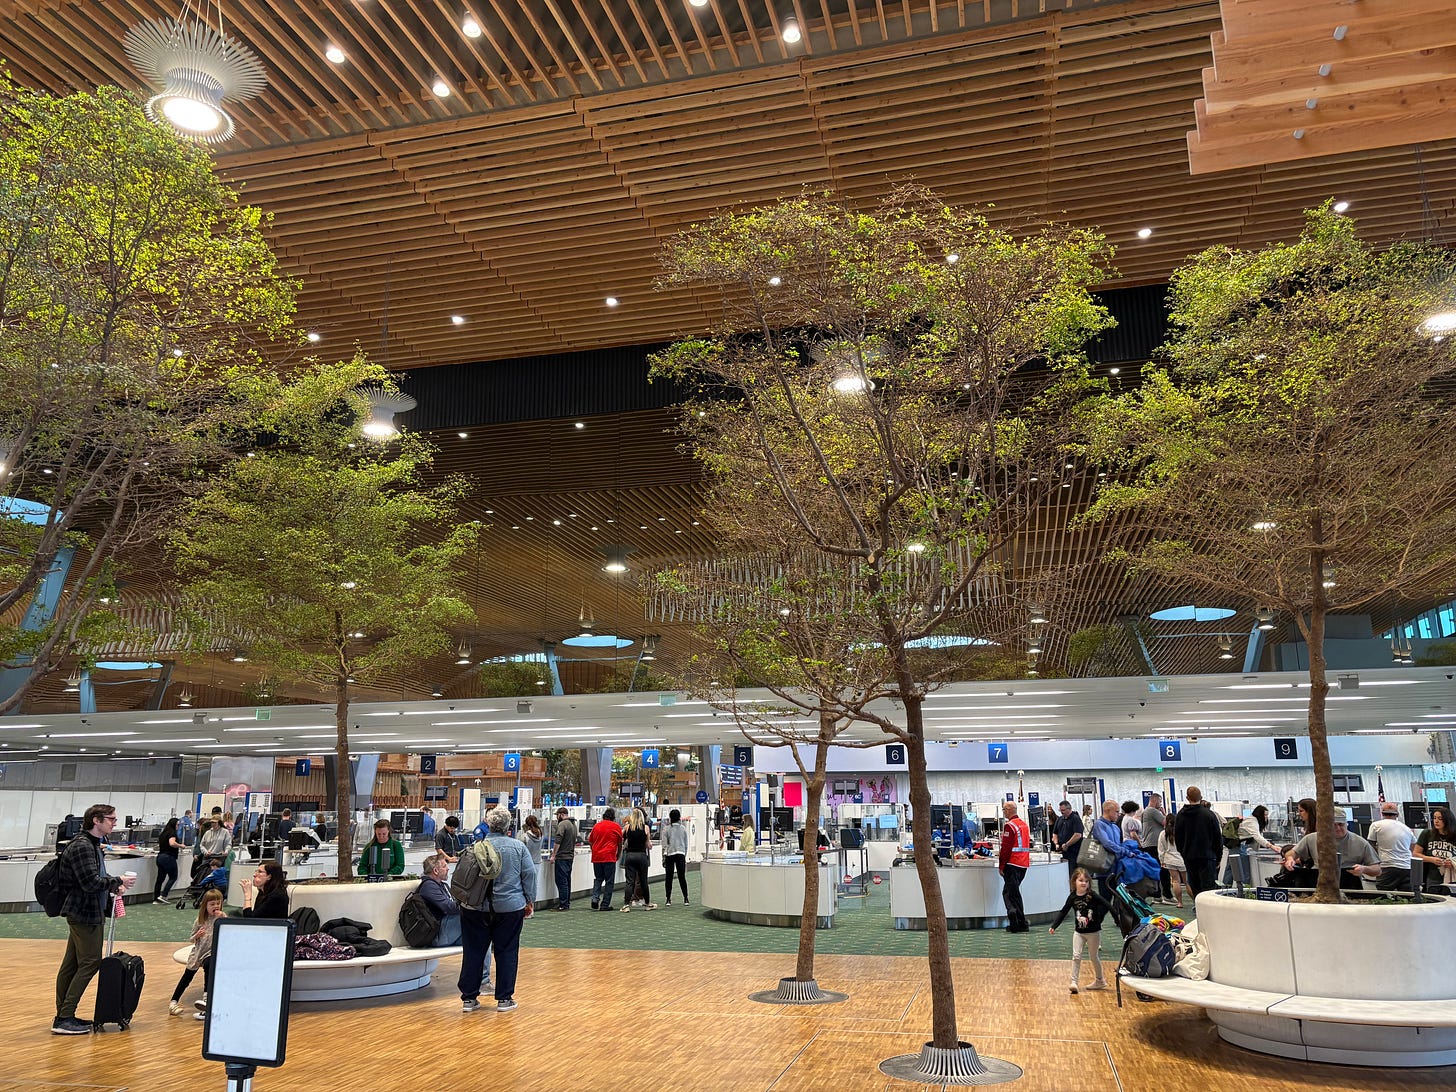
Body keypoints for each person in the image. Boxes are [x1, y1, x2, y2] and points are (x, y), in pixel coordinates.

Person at [52, 803, 137, 1035]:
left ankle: (64, 1015)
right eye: (111, 819)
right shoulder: (83, 846)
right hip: (84, 912)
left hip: (86, 911)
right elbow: (90, 882)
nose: (115, 823)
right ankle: (64, 1016)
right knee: (90, 962)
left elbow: (97, 876)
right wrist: (116, 881)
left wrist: (113, 883)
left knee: (72, 964)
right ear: (96, 821)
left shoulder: (91, 845)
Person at [458, 806, 535, 1014]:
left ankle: (469, 999)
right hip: (510, 907)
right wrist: (529, 900)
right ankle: (504, 999)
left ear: (488, 824)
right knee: (507, 951)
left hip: (475, 908)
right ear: (508, 826)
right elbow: (529, 875)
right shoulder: (518, 848)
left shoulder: (476, 847)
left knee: (474, 951)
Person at [1283, 806, 1380, 891]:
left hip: (1349, 884)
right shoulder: (1311, 838)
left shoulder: (1360, 843)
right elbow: (1292, 852)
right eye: (1333, 825)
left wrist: (1364, 869)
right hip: (1317, 883)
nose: (1337, 828)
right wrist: (1290, 859)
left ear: (1347, 824)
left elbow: (1377, 869)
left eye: (1341, 824)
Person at [1049, 867, 1113, 994]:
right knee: (1076, 956)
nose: (1084, 883)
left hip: (1093, 932)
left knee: (1094, 957)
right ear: (1074, 882)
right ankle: (1074, 982)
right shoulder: (1072, 897)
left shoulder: (1092, 895)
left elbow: (1107, 904)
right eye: (1081, 880)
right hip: (1078, 932)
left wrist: (1116, 915)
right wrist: (1054, 926)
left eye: (1086, 881)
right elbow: (1063, 911)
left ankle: (1100, 980)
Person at [169, 888, 225, 1018]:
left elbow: (230, 932)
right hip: (199, 952)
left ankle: (206, 999)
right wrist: (197, 936)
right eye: (212, 904)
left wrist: (224, 918)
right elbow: (191, 939)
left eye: (218, 903)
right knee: (187, 977)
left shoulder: (221, 918)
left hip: (212, 952)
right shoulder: (200, 920)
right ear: (205, 906)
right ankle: (173, 1002)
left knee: (209, 965)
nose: (216, 906)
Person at [1173, 787, 1224, 898]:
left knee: (1195, 887)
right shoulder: (1209, 814)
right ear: (1201, 797)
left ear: (1187, 798)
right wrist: (1219, 857)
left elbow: (1178, 838)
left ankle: (1198, 909)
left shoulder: (1180, 815)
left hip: (1189, 857)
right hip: (1207, 857)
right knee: (1209, 890)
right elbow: (1217, 838)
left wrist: (1184, 853)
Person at [1366, 802, 1414, 892]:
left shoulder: (1376, 825)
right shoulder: (1407, 829)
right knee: (1406, 897)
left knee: (1383, 896)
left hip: (1387, 865)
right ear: (1397, 815)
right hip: (1406, 867)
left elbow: (1370, 845)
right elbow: (1413, 846)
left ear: (1382, 813)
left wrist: (1376, 861)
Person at [1227, 804, 1280, 885]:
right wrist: (1271, 846)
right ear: (1259, 814)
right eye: (1265, 815)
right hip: (1240, 847)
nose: (1266, 817)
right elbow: (1257, 836)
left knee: (1230, 870)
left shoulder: (1251, 820)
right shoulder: (1252, 821)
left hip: (1235, 846)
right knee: (1243, 872)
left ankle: (1225, 890)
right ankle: (1245, 892)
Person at [416, 853, 462, 947]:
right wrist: (469, 905)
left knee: (482, 940)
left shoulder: (442, 885)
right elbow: (449, 907)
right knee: (472, 915)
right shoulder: (429, 886)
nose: (448, 869)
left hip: (447, 930)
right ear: (436, 871)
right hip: (437, 935)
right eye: (444, 866)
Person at [998, 801, 1030, 933]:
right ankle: (1017, 918)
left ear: (1010, 810)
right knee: (1010, 892)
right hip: (1023, 863)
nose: (1003, 812)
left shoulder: (1010, 826)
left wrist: (1001, 865)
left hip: (1012, 863)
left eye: (1004, 809)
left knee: (1012, 894)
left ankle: (1017, 920)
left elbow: (1006, 848)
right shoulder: (1023, 825)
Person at [1412, 805, 1456, 892]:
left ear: (1448, 820)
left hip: (1452, 877)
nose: (1436, 821)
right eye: (1435, 818)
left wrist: (1453, 863)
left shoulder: (1454, 836)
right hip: (1433, 877)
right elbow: (1416, 854)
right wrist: (1431, 859)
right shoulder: (1427, 834)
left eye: (1440, 818)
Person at [620, 808, 656, 911]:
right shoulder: (646, 828)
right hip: (641, 856)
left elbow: (622, 839)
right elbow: (648, 844)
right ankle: (648, 903)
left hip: (630, 856)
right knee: (643, 880)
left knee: (630, 881)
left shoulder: (627, 828)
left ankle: (626, 905)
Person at [588, 807, 624, 911]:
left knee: (598, 879)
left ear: (604, 816)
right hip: (609, 857)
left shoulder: (596, 826)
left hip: (597, 857)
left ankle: (595, 898)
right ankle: (605, 904)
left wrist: (594, 850)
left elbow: (590, 841)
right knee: (609, 881)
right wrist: (618, 854)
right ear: (613, 817)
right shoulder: (616, 827)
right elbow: (620, 843)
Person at [1091, 800, 1125, 900]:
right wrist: (1125, 851)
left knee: (1120, 902)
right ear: (1108, 810)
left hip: (1117, 870)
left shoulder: (1115, 827)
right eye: (1116, 812)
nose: (1119, 814)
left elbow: (1118, 844)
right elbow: (1107, 843)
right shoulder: (1099, 825)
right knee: (1105, 902)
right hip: (1104, 871)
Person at [1139, 794, 1169, 902]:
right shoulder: (1153, 811)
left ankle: (1157, 895)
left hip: (1149, 844)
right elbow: (1167, 822)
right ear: (1155, 801)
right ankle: (1167, 895)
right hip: (1154, 845)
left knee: (1155, 870)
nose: (1161, 804)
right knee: (1163, 870)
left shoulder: (1146, 811)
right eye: (1160, 802)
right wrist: (1164, 813)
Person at [549, 808, 579, 911]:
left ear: (561, 815)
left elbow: (558, 840)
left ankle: (563, 904)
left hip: (562, 857)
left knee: (561, 881)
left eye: (557, 815)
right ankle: (566, 902)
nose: (556, 817)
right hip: (570, 856)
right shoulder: (573, 825)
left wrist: (553, 855)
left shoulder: (562, 824)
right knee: (567, 880)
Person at [1157, 810, 1187, 909]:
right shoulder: (1181, 832)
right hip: (1181, 859)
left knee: (1175, 881)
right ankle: (1195, 901)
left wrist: (1162, 861)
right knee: (1187, 882)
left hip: (1169, 860)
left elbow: (1160, 850)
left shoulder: (1162, 834)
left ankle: (1180, 902)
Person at [661, 808, 689, 905]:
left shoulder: (666, 829)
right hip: (681, 854)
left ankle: (668, 899)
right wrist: (684, 854)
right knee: (682, 877)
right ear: (679, 817)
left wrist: (663, 857)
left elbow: (664, 845)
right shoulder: (683, 828)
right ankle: (686, 898)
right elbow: (686, 844)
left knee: (669, 877)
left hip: (670, 854)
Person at [1051, 799, 1084, 882]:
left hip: (1073, 853)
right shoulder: (1060, 819)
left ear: (1069, 809)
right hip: (1062, 852)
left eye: (1063, 810)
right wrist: (1056, 843)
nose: (1061, 812)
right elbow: (1055, 834)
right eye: (1060, 810)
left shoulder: (1075, 819)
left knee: (1073, 875)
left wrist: (1067, 844)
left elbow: (1078, 835)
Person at [155, 817, 182, 904]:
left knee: (160, 879)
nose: (178, 826)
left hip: (160, 857)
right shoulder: (172, 832)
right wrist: (181, 845)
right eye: (177, 824)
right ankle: (164, 895)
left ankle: (156, 898)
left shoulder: (163, 833)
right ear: (174, 824)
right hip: (169, 857)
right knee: (173, 877)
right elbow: (172, 843)